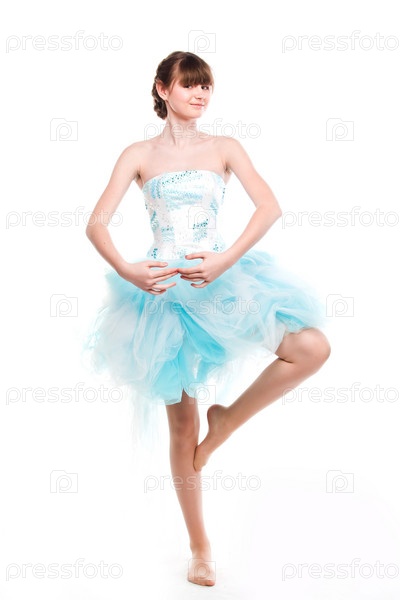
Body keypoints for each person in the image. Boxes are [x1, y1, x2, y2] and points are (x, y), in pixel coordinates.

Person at [84, 50, 331, 587]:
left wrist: (225, 259)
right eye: (189, 85)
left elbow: (269, 206)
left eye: (206, 86)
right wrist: (128, 270)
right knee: (180, 425)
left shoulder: (224, 147)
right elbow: (96, 224)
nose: (200, 94)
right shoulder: (138, 154)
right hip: (163, 295)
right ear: (162, 89)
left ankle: (226, 425)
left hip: (220, 284)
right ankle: (199, 547)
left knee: (311, 347)